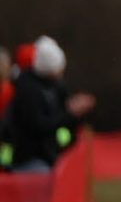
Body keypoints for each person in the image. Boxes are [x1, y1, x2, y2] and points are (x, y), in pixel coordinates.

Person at [7, 36, 95, 172]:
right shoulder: (29, 90)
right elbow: (38, 124)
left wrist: (74, 114)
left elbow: (60, 119)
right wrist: (70, 113)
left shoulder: (55, 87)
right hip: (31, 160)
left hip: (50, 156)